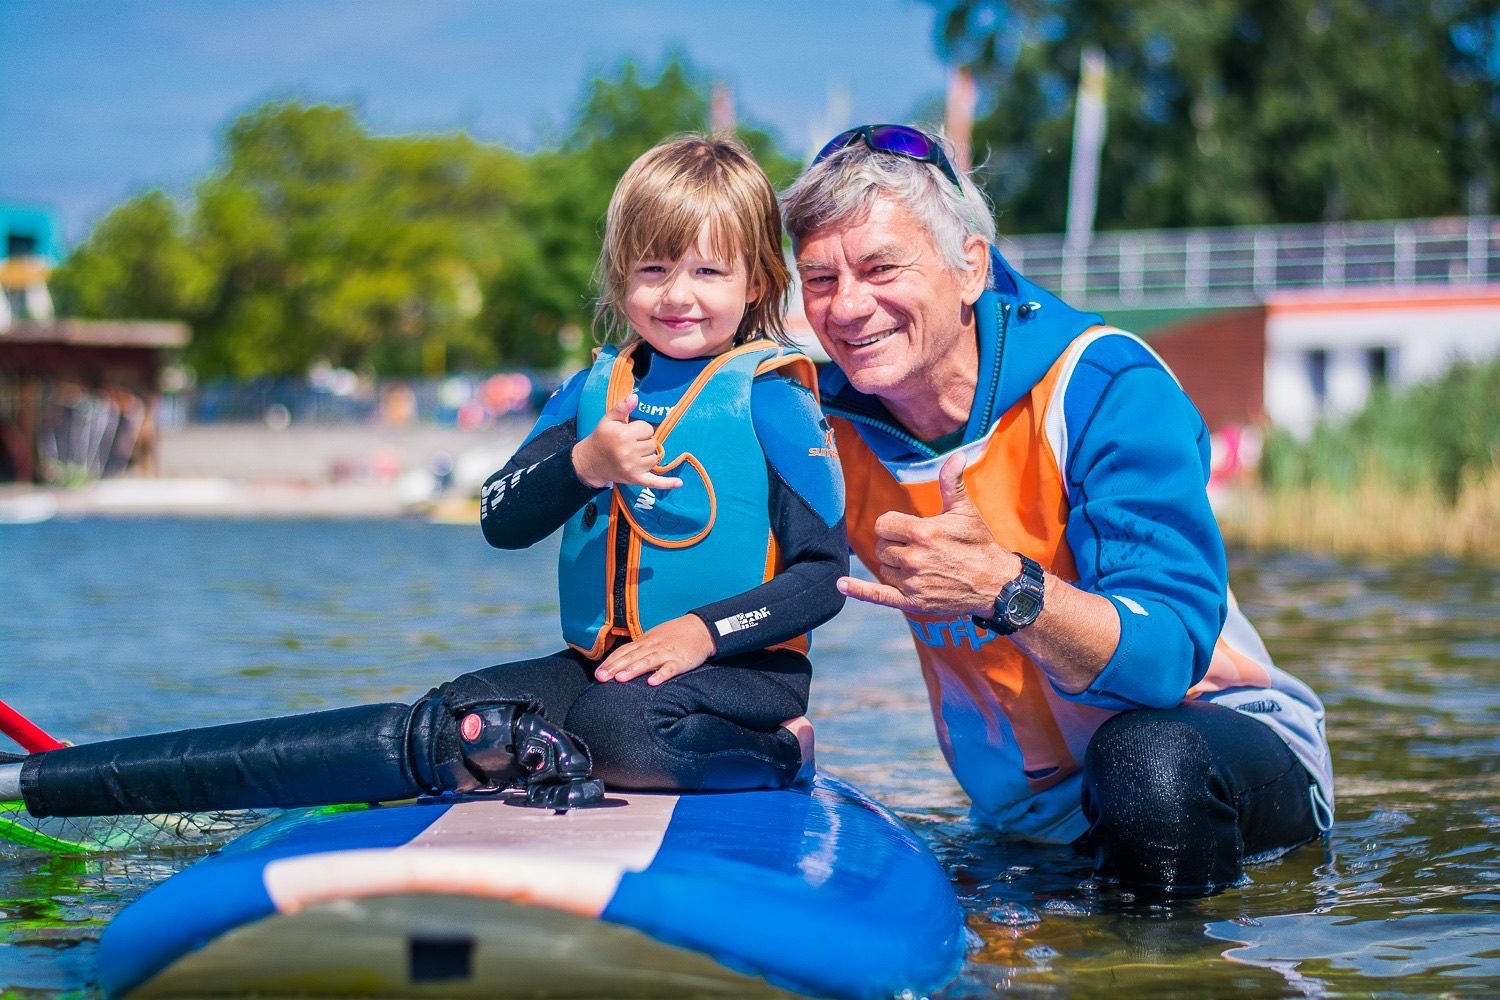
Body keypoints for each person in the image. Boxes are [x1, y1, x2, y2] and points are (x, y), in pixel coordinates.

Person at [8, 135, 845, 818]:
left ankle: (783, 751)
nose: (677, 296)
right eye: (653, 270)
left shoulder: (771, 396)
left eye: (708, 272)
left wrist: (700, 633)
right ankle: (59, 784)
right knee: (457, 719)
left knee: (624, 730)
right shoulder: (594, 392)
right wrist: (584, 465)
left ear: (756, 280)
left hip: (737, 672)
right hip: (602, 664)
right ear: (621, 274)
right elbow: (499, 517)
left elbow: (821, 575)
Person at [780, 124, 1333, 895]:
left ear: (970, 267)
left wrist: (1006, 590)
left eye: (880, 268)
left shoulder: (1103, 385)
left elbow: (1165, 659)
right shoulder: (818, 425)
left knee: (1144, 765)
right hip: (1025, 824)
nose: (846, 306)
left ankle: (1177, 958)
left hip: (1213, 757)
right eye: (819, 278)